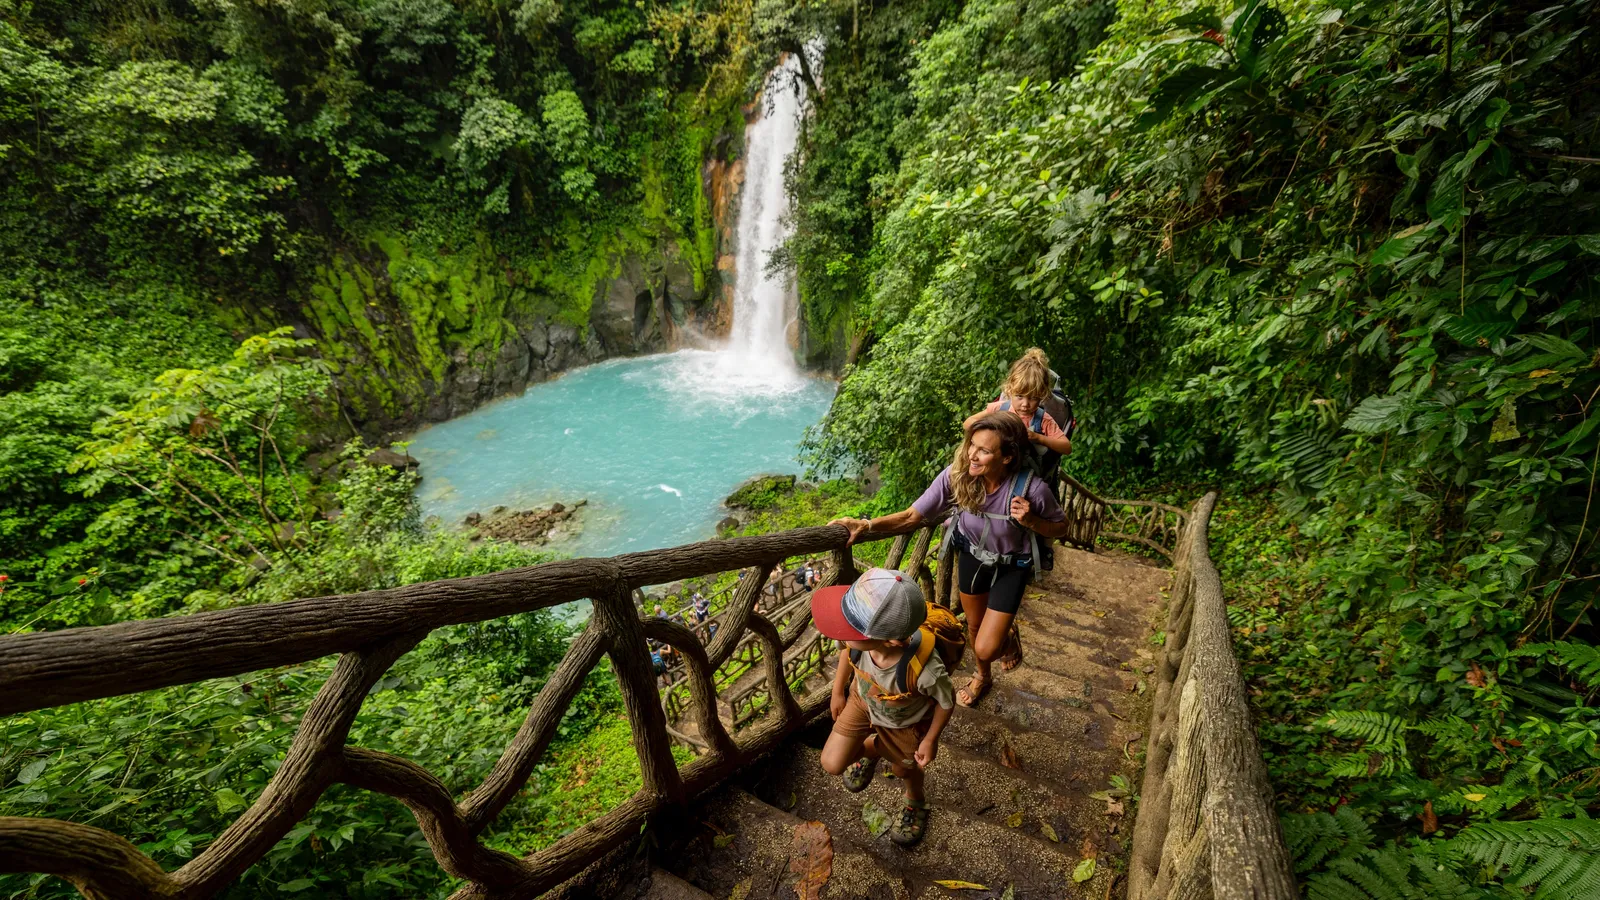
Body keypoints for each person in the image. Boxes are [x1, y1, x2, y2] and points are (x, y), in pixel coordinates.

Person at [832, 411, 1069, 708]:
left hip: (1012, 564)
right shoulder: (957, 476)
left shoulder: (1033, 489)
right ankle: (983, 676)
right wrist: (866, 525)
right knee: (973, 626)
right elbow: (912, 516)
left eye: (984, 450)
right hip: (971, 552)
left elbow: (1062, 527)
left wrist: (1032, 519)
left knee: (986, 644)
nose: (972, 454)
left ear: (1007, 457)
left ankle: (1005, 638)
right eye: (972, 445)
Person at [812, 568, 954, 848]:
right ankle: (878, 748)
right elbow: (846, 650)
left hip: (904, 723)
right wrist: (837, 690)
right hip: (862, 701)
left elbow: (946, 702)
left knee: (903, 770)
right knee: (832, 763)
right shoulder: (859, 644)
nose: (840, 633)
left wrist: (930, 739)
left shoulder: (926, 671)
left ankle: (915, 800)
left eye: (849, 628)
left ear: (890, 641)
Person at [963, 348, 1072, 462]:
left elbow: (1066, 447)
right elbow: (967, 423)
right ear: (1010, 390)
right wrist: (990, 429)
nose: (1025, 404)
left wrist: (1038, 438)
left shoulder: (1043, 420)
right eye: (1019, 396)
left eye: (1033, 398)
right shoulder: (1000, 408)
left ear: (1042, 395)